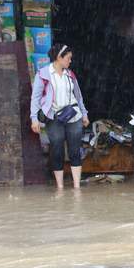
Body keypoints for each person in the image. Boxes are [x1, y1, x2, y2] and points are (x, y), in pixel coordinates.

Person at [30, 44, 89, 189]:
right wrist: (34, 118)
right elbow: (35, 98)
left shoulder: (70, 74)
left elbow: (78, 96)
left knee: (75, 150)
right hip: (53, 118)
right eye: (68, 58)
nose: (70, 61)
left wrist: (85, 114)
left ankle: (76, 187)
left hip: (73, 116)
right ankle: (60, 187)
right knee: (57, 150)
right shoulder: (43, 74)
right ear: (59, 57)